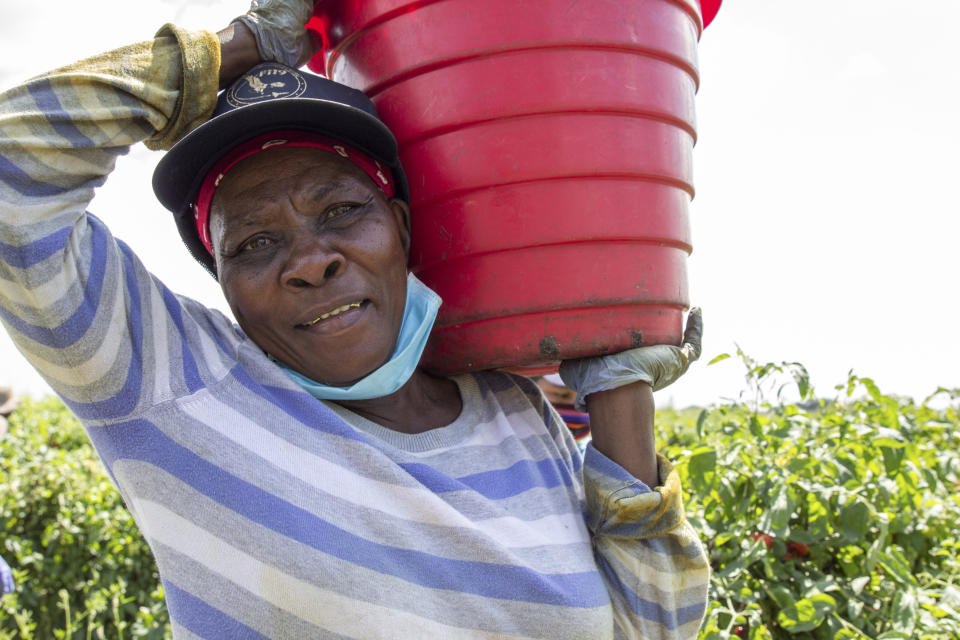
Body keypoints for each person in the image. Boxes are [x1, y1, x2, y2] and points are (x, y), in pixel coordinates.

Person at [0, 1, 709, 637]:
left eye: (341, 211)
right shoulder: (180, 386)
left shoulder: (513, 410)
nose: (310, 260)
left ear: (400, 227)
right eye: (254, 243)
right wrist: (238, 47)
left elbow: (652, 628)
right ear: (224, 283)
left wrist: (618, 383)